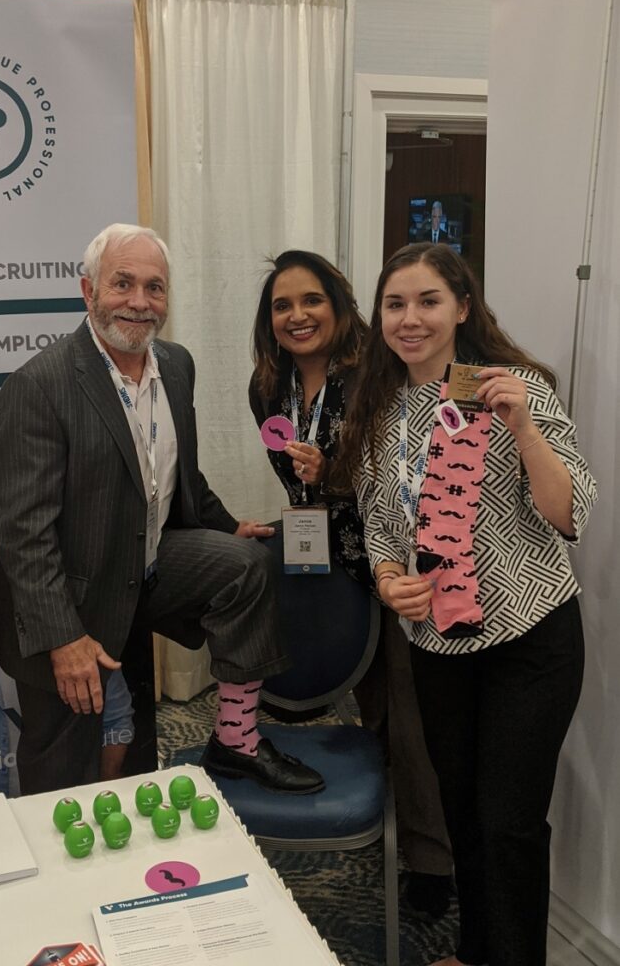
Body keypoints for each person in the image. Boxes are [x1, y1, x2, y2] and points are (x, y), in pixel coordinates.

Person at [0, 223, 324, 796]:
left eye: (155, 287)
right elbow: (23, 533)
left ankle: (236, 741)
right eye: (123, 284)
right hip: (67, 594)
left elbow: (176, 471)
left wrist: (227, 526)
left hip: (142, 566)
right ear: (88, 290)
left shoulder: (175, 363)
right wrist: (63, 639)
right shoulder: (40, 385)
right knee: (64, 772)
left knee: (244, 566)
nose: (140, 302)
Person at [337, 242, 596, 966]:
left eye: (427, 301)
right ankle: (479, 951)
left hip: (530, 638)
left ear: (461, 308)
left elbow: (569, 513)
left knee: (509, 824)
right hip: (438, 645)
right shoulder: (380, 408)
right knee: (461, 812)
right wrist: (388, 580)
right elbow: (379, 524)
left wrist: (523, 429)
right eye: (394, 304)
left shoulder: (516, 388)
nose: (409, 318)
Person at [249, 249, 454, 921]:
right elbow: (295, 481)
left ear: (338, 305)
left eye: (311, 299)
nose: (297, 315)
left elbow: (399, 470)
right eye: (282, 305)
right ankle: (383, 818)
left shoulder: (378, 373)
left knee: (409, 712)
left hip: (389, 562)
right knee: (369, 707)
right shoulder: (267, 388)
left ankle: (430, 859)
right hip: (322, 566)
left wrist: (332, 470)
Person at [0, 527, 134, 802]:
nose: (9, 598)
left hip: (70, 809)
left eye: (16, 585)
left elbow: (116, 723)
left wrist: (103, 797)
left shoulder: (84, 649)